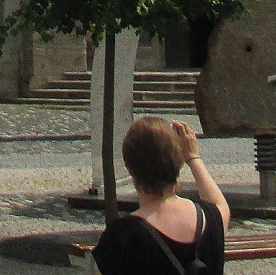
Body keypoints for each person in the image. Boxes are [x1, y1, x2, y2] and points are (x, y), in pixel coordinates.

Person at [92, 116, 229, 274]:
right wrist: (193, 158)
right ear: (178, 161)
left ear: (130, 168)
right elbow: (220, 205)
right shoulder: (211, 217)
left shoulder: (121, 236)